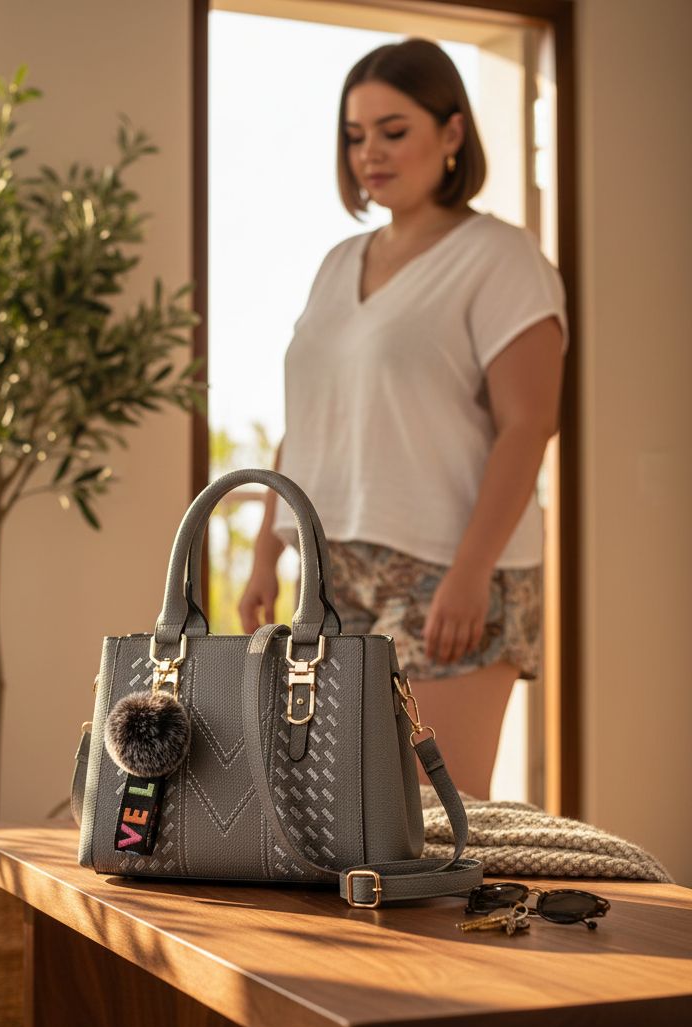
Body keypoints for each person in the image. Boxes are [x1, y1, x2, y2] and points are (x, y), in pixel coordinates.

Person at [238, 38, 567, 800]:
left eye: (393, 131)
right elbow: (306, 422)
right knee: (334, 811)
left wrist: (472, 572)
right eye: (355, 136)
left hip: (449, 571)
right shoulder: (336, 263)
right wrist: (266, 551)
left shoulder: (501, 258)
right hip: (334, 571)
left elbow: (530, 423)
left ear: (452, 133)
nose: (370, 154)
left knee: (435, 814)